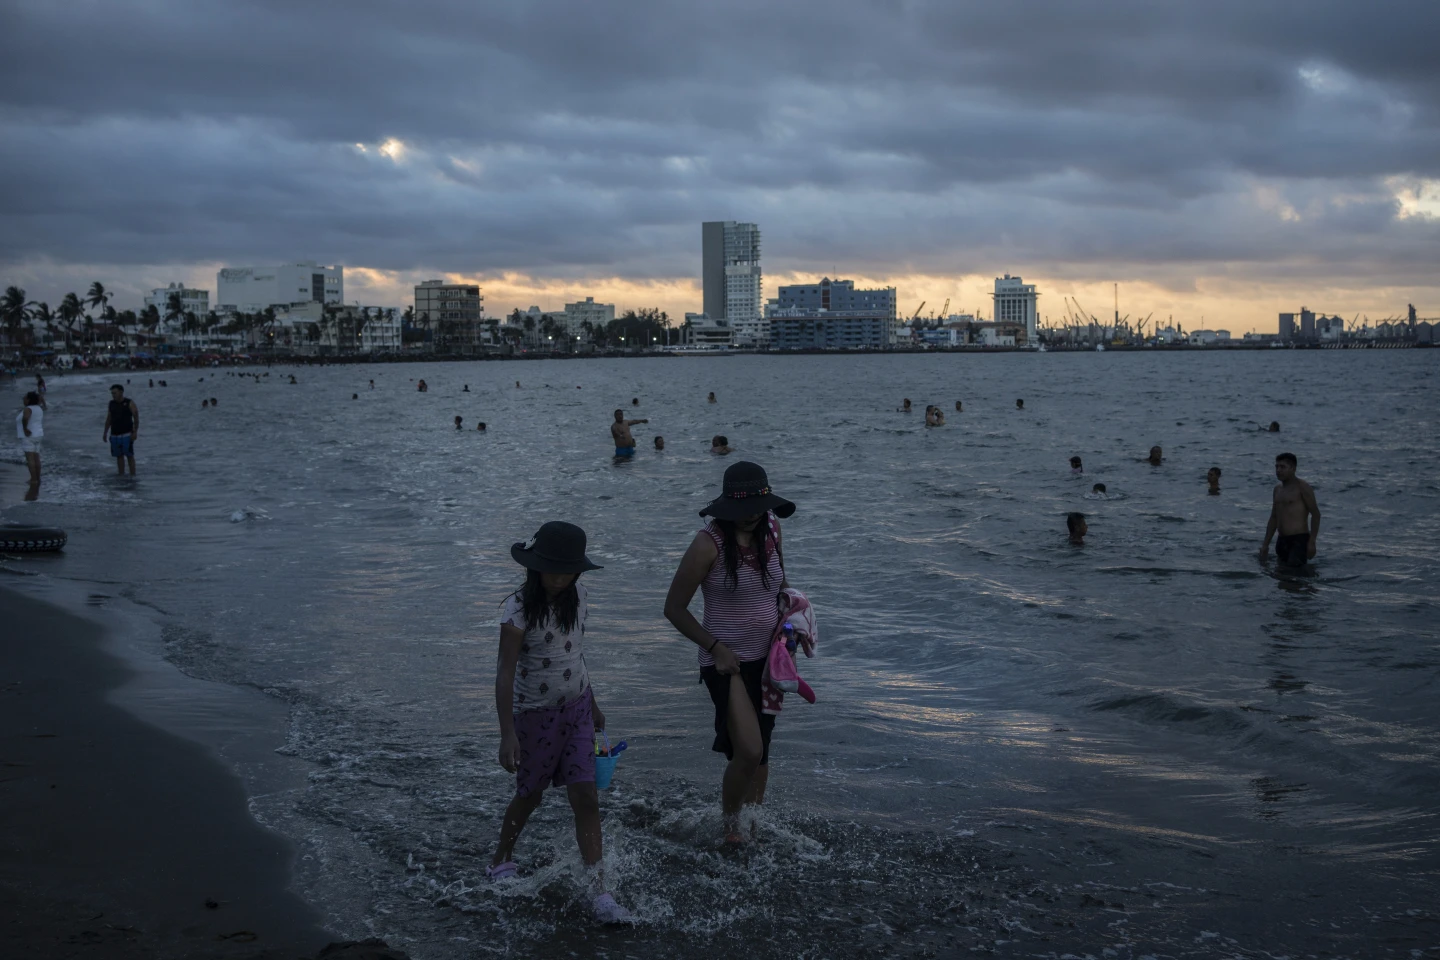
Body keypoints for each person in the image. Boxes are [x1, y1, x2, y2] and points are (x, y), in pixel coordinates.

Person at [488, 522, 631, 924]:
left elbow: (576, 655)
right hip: (535, 715)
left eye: (567, 570)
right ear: (534, 567)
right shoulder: (516, 609)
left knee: (586, 796)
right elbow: (504, 673)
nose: (559, 577)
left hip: (579, 708)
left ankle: (600, 891)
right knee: (530, 793)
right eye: (551, 568)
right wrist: (507, 734)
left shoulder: (580, 596)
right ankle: (501, 859)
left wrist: (595, 703)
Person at [663, 462, 795, 845]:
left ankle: (752, 824)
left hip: (770, 657)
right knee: (749, 750)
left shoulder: (771, 527)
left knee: (762, 751)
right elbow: (673, 608)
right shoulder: (708, 544)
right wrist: (715, 648)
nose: (753, 514)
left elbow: (779, 583)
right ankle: (731, 824)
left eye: (760, 505)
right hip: (726, 663)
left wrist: (792, 620)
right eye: (745, 508)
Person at [1260, 453, 1320, 567]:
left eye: (1282, 467)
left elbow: (1316, 514)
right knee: (1281, 577)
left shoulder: (1302, 487)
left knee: (1294, 577)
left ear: (1293, 468)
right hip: (1281, 540)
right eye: (1276, 467)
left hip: (1299, 540)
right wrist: (1265, 544)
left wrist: (1312, 541)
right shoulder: (1277, 489)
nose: (1278, 470)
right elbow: (1274, 517)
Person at [103, 384, 139, 476]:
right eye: (112, 393)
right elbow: (109, 419)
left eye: (115, 393)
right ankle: (121, 475)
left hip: (127, 434)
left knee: (129, 455)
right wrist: (105, 432)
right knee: (119, 456)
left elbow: (136, 417)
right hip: (115, 434)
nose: (113, 395)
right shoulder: (111, 403)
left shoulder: (129, 402)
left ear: (121, 392)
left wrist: (135, 432)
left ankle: (133, 476)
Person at [16, 391, 43, 485]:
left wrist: (25, 429)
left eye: (25, 397)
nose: (23, 399)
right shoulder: (38, 408)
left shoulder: (28, 409)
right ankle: (38, 479)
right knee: (36, 458)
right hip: (38, 435)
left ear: (28, 400)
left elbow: (25, 418)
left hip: (28, 436)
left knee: (30, 459)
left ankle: (33, 480)